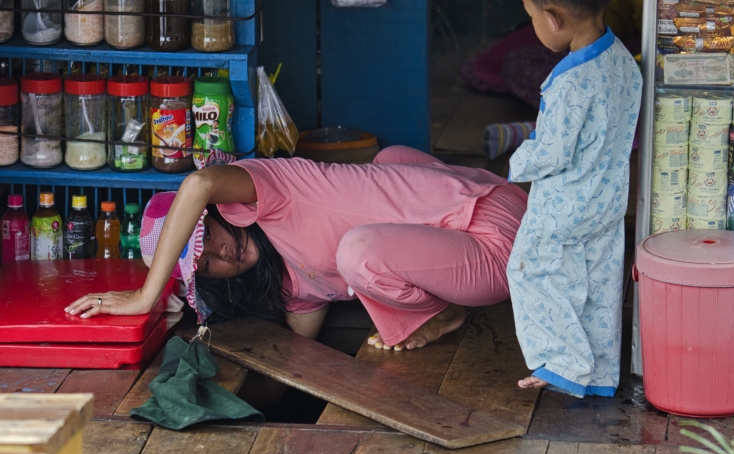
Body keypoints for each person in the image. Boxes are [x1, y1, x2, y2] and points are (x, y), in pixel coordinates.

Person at [65, 147, 528, 358]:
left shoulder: (275, 189)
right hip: (485, 206)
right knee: (389, 160)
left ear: (219, 211)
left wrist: (145, 296)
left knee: (359, 251)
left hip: (497, 246)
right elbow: (300, 352)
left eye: (209, 237)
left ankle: (442, 314)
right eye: (206, 266)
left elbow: (200, 182)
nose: (222, 256)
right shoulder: (292, 282)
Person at [506, 0, 642, 398]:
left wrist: (517, 163)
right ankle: (599, 374)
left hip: (564, 205)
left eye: (532, 18)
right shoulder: (623, 60)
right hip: (608, 198)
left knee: (533, 272)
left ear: (552, 18)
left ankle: (562, 362)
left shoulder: (570, 81)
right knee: (600, 282)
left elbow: (552, 153)